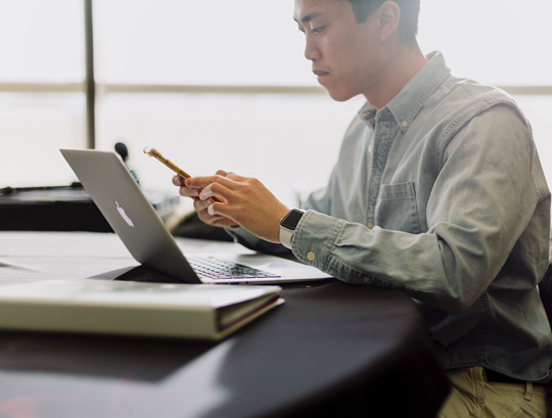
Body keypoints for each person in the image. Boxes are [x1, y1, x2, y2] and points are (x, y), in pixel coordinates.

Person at [173, 0, 552, 416]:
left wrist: (287, 222)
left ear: (386, 19)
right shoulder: (362, 131)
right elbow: (318, 228)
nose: (308, 51)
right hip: (389, 365)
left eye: (317, 28)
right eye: (302, 32)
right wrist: (243, 216)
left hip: (473, 383)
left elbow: (454, 271)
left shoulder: (483, 122)